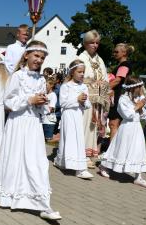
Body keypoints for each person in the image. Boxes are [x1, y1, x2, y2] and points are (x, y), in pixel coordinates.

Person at [0, 41, 62, 221]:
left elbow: (38, 105)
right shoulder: (17, 76)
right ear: (26, 55)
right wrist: (29, 100)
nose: (39, 60)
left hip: (33, 125)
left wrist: (42, 103)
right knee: (15, 158)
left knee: (37, 162)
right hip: (18, 124)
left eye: (42, 57)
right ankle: (10, 195)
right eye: (36, 56)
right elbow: (8, 102)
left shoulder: (41, 79)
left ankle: (42, 202)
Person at [99, 76, 146, 188]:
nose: (141, 89)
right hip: (127, 128)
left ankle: (138, 177)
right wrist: (137, 107)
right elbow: (127, 115)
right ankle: (104, 166)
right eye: (139, 87)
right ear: (133, 88)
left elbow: (144, 115)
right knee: (120, 148)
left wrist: (141, 108)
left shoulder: (137, 98)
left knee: (138, 150)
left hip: (136, 128)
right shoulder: (123, 99)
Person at [54, 59, 94, 179]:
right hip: (68, 115)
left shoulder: (84, 87)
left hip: (78, 116)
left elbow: (87, 105)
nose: (82, 74)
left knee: (78, 139)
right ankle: (75, 167)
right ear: (72, 72)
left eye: (83, 72)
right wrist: (77, 100)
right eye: (79, 72)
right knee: (70, 139)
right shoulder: (66, 86)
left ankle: (73, 165)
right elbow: (63, 103)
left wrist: (84, 101)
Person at [77, 30, 109, 167]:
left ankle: (89, 154)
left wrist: (104, 84)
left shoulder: (99, 59)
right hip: (86, 98)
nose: (95, 45)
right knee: (85, 126)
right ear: (85, 43)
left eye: (97, 43)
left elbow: (105, 77)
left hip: (98, 99)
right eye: (92, 43)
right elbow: (78, 77)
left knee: (94, 127)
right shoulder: (81, 58)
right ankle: (82, 154)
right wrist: (94, 82)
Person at [109, 43, 134, 139]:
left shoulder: (124, 65)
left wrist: (101, 90)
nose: (114, 53)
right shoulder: (122, 64)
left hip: (118, 96)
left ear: (124, 53)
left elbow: (117, 80)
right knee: (114, 124)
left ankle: (113, 152)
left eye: (116, 51)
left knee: (113, 124)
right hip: (118, 96)